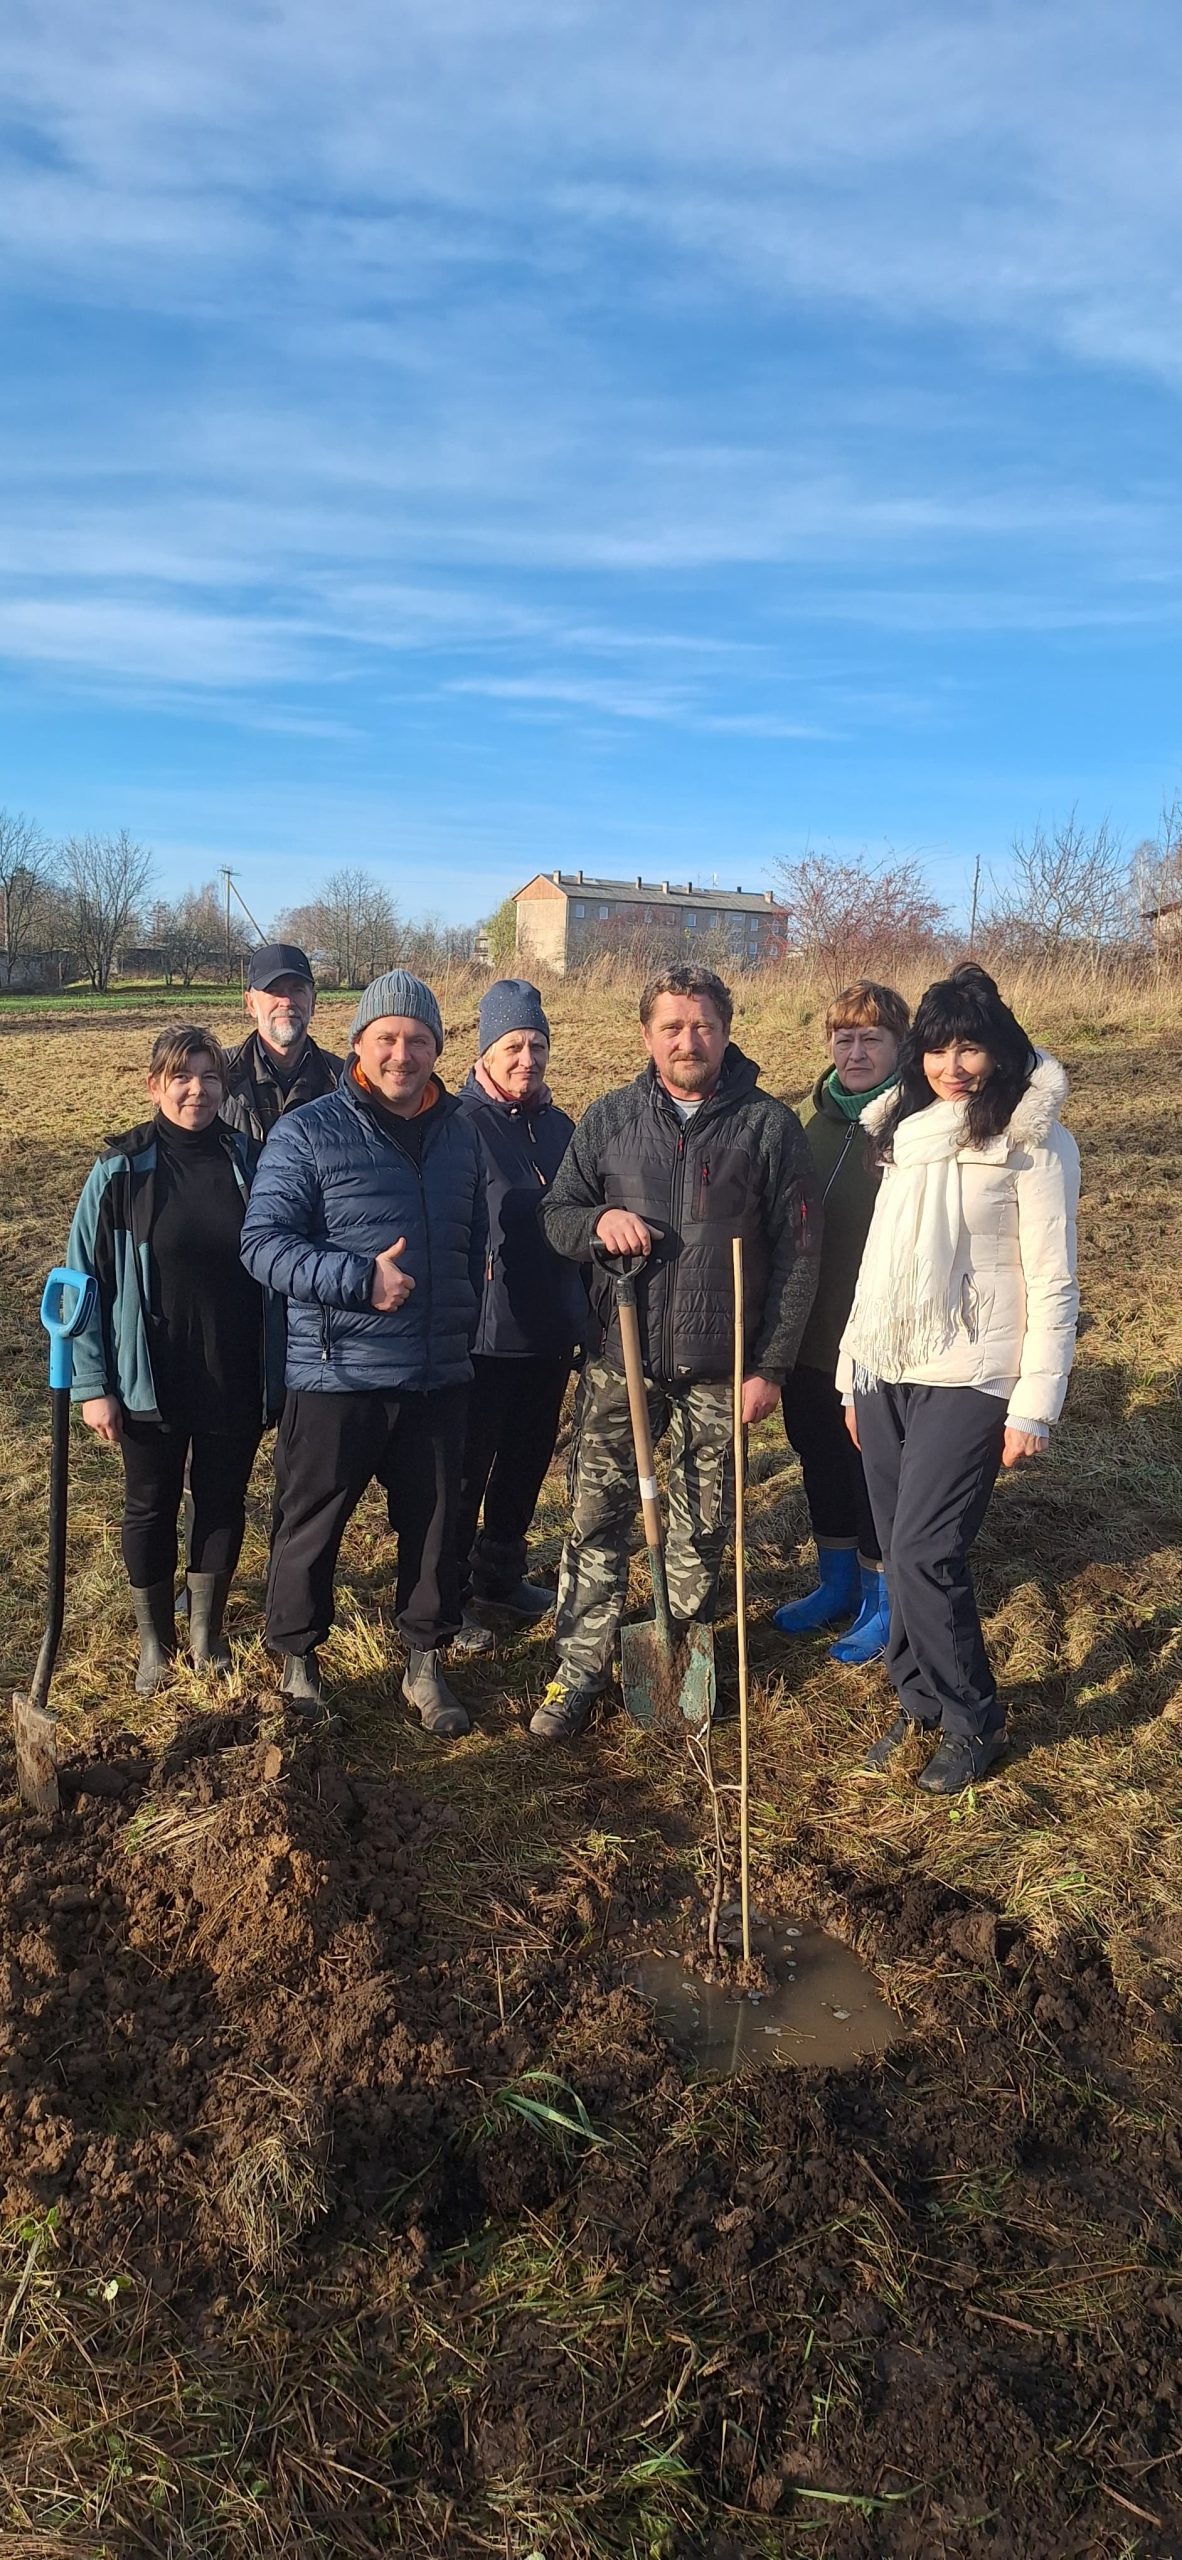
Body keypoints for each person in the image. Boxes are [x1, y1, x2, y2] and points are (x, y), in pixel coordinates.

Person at [533, 964, 821, 1742]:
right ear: (646, 1035)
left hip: (720, 1372)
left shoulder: (768, 1127)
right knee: (595, 1518)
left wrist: (770, 1366)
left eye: (703, 1026)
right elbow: (556, 1213)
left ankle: (681, 1667)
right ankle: (578, 1671)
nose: (688, 1040)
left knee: (700, 1531)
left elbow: (800, 1257)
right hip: (618, 1360)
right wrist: (596, 1224)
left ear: (725, 1032)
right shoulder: (610, 1118)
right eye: (672, 1027)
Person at [837, 964, 1080, 1796]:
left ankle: (976, 1720)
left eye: (969, 1048)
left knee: (924, 1552)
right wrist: (851, 1377)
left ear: (1000, 1051)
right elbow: (877, 1267)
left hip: (973, 1372)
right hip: (886, 1365)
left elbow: (1054, 1282)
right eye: (937, 1049)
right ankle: (919, 1702)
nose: (952, 1067)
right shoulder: (904, 1132)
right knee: (894, 1548)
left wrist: (1034, 1405)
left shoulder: (1032, 1141)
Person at [239, 968, 487, 1739]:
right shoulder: (308, 1131)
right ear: (357, 1045)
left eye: (418, 1040)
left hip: (437, 1372)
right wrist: (356, 1280)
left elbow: (473, 1241)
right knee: (311, 1526)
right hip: (336, 1371)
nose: (401, 1054)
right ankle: (298, 1662)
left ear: (438, 1049)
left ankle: (425, 1663)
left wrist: (462, 1323)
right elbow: (261, 1245)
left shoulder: (462, 1133)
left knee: (438, 1527)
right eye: (387, 1038)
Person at [65, 1024, 282, 1693]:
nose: (197, 1090)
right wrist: (93, 1384)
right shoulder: (121, 1170)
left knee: (222, 1501)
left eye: (210, 1076)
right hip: (147, 1377)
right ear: (154, 1086)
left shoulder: (251, 1162)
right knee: (150, 1505)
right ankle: (155, 1644)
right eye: (181, 1076)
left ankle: (206, 1636)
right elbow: (80, 1282)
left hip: (234, 1372)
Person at [772, 980, 910, 1664]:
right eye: (844, 1038)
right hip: (808, 1335)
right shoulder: (808, 1119)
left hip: (880, 1341)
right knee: (818, 1453)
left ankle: (884, 1600)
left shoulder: (914, 1126)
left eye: (871, 1039)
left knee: (871, 1470)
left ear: (900, 1046)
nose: (855, 1053)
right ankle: (836, 1582)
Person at [450, 979, 586, 1654]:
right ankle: (446, 1596)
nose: (527, 1059)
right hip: (482, 1334)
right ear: (485, 1052)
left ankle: (500, 1574)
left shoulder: (560, 1128)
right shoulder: (458, 1125)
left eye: (537, 1045)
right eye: (513, 1046)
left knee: (527, 1462)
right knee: (465, 1470)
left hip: (549, 1329)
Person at [222, 942, 343, 1143]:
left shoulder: (343, 1080)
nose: (286, 1002)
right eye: (273, 991)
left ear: (313, 1002)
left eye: (297, 990)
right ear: (250, 1004)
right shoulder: (217, 1075)